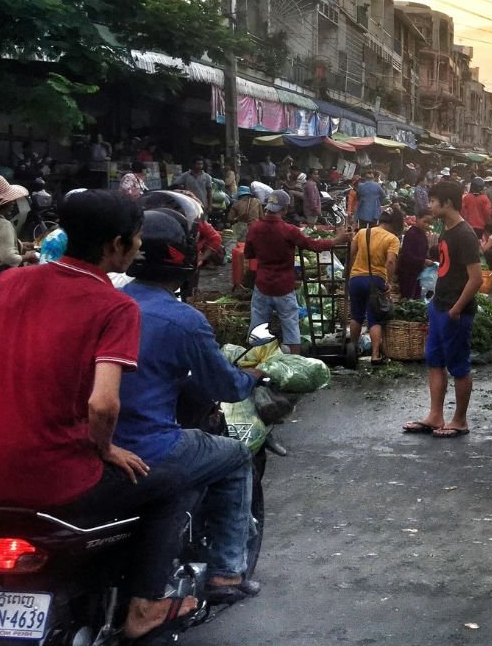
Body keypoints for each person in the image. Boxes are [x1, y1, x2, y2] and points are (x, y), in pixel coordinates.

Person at [0, 190, 204, 640]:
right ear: (115, 245)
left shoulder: (10, 283)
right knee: (173, 482)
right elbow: (104, 404)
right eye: (137, 240)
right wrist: (104, 448)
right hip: (59, 479)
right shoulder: (116, 306)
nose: (140, 248)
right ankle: (144, 606)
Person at [117, 207, 262, 604]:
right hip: (147, 445)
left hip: (95, 442)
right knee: (234, 455)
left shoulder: (109, 302)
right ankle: (226, 574)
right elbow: (227, 386)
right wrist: (254, 373)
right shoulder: (184, 320)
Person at [403, 181, 483, 438]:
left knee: (458, 366)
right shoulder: (446, 229)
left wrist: (456, 309)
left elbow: (476, 279)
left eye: (434, 201)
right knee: (434, 361)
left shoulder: (465, 234)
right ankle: (435, 415)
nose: (430, 206)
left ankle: (459, 420)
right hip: (439, 306)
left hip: (455, 311)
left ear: (447, 203)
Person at [244, 190, 349, 354]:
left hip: (262, 285)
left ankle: (256, 362)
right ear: (285, 209)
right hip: (284, 286)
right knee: (291, 327)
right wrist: (337, 240)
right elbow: (313, 245)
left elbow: (249, 254)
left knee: (258, 326)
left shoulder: (255, 228)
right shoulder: (289, 230)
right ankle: (295, 361)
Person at [349, 208, 401, 364]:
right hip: (376, 280)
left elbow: (351, 253)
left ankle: (353, 349)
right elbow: (390, 261)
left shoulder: (362, 232)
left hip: (356, 278)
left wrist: (353, 272)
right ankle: (375, 355)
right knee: (374, 318)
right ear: (394, 224)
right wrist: (389, 282)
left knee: (356, 315)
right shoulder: (392, 239)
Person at [0, 175, 37, 298]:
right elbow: (9, 258)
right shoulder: (3, 224)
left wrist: (20, 244)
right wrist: (29, 256)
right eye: (11, 200)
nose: (14, 203)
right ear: (2, 203)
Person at [397, 209, 432, 300]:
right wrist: (423, 261)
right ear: (417, 219)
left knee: (416, 298)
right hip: (407, 273)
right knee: (407, 298)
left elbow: (423, 251)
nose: (427, 225)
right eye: (425, 222)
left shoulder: (422, 235)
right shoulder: (411, 234)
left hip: (417, 272)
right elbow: (406, 255)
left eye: (429, 223)